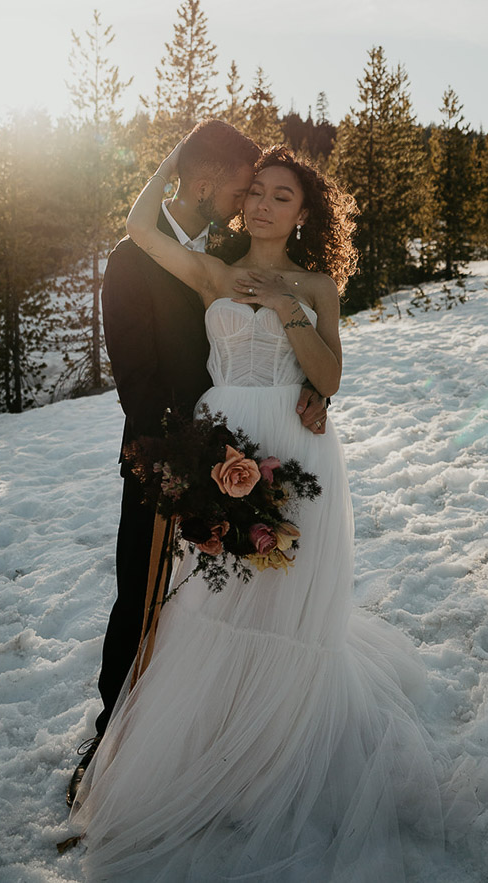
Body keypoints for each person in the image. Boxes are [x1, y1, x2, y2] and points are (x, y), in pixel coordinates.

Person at [69, 139, 488, 882]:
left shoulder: (319, 284)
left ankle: (275, 757)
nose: (262, 202)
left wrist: (288, 311)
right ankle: (202, 748)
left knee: (283, 600)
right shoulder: (216, 272)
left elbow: (328, 374)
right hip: (221, 439)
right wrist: (176, 152)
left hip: (296, 449)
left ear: (303, 214)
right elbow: (139, 228)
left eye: (281, 195)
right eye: (256, 189)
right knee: (212, 600)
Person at [67, 121, 327, 807]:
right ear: (206, 180)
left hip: (249, 449)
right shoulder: (133, 260)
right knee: (144, 599)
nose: (249, 202)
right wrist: (190, 459)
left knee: (222, 601)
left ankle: (220, 737)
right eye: (243, 187)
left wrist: (308, 388)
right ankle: (111, 745)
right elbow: (139, 381)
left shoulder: (225, 250)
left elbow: (281, 332)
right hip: (166, 455)